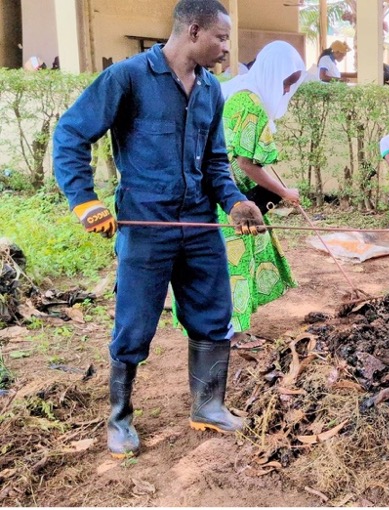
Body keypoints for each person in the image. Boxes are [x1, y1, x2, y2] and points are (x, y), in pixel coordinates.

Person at [52, 0, 267, 459]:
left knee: (213, 316)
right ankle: (119, 419)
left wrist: (235, 202)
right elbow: (71, 134)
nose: (227, 49)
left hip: (198, 224)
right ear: (193, 31)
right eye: (222, 38)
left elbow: (214, 164)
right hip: (146, 227)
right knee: (134, 326)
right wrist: (85, 202)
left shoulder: (212, 89)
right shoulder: (127, 78)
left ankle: (208, 406)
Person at [194, 40, 303, 339]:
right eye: (285, 83)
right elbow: (246, 164)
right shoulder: (250, 103)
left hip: (220, 192)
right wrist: (283, 192)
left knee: (235, 259)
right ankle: (230, 333)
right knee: (236, 263)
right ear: (271, 73)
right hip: (228, 197)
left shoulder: (240, 89)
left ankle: (229, 327)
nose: (285, 91)